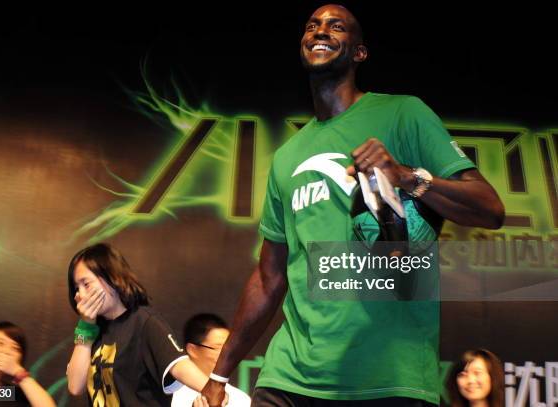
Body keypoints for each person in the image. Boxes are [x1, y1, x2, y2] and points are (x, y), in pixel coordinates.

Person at [201, 4, 505, 407]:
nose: (320, 31)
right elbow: (268, 278)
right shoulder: (288, 157)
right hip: (291, 377)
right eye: (312, 26)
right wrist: (219, 374)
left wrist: (406, 176)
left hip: (385, 377)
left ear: (359, 52)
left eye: (335, 26)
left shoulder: (403, 114)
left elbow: (490, 209)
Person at [66, 243, 214, 407]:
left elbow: (178, 365)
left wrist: (211, 390)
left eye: (86, 284)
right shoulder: (93, 331)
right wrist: (86, 326)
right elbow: (75, 386)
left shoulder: (144, 321)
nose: (79, 295)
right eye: (76, 288)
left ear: (113, 276)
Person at [171, 314, 250, 407]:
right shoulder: (172, 394)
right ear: (192, 350)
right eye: (217, 347)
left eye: (227, 349)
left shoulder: (240, 400)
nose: (225, 354)